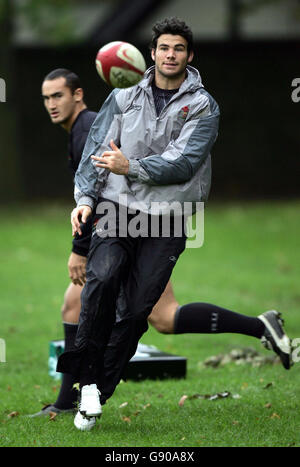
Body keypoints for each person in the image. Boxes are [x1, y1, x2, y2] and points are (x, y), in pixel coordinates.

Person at [55, 17, 292, 432]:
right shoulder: (124, 93)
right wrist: (85, 200)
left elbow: (183, 163)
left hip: (168, 219)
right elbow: (96, 149)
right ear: (152, 52)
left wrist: (132, 166)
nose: (170, 55)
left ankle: (100, 389)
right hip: (116, 208)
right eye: (164, 47)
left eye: (178, 49)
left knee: (138, 312)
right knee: (101, 282)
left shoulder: (203, 106)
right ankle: (87, 384)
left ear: (190, 55)